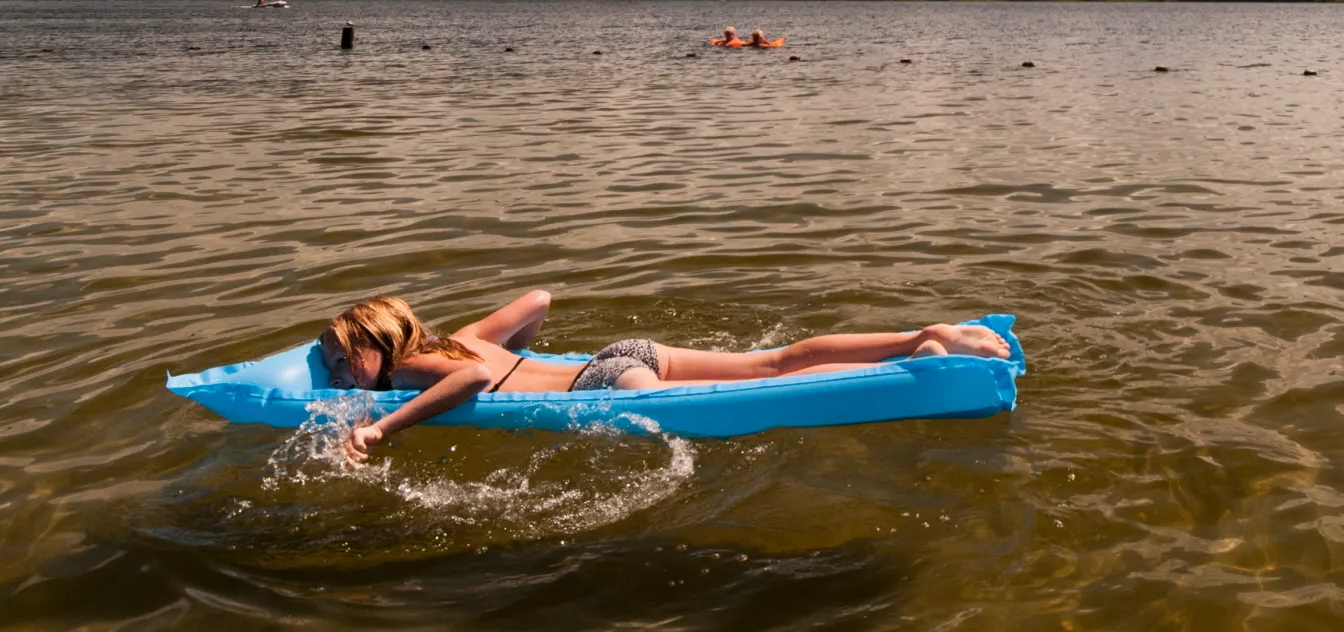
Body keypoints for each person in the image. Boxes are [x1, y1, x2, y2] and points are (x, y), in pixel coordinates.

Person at [316, 291, 1009, 462]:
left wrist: (381, 427)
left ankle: (921, 369)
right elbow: (538, 301)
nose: (342, 373)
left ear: (383, 344)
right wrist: (520, 360)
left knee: (764, 390)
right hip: (627, 354)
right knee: (776, 362)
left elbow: (466, 386)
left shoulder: (409, 370)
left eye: (348, 358)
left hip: (601, 386)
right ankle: (925, 337)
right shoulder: (464, 339)